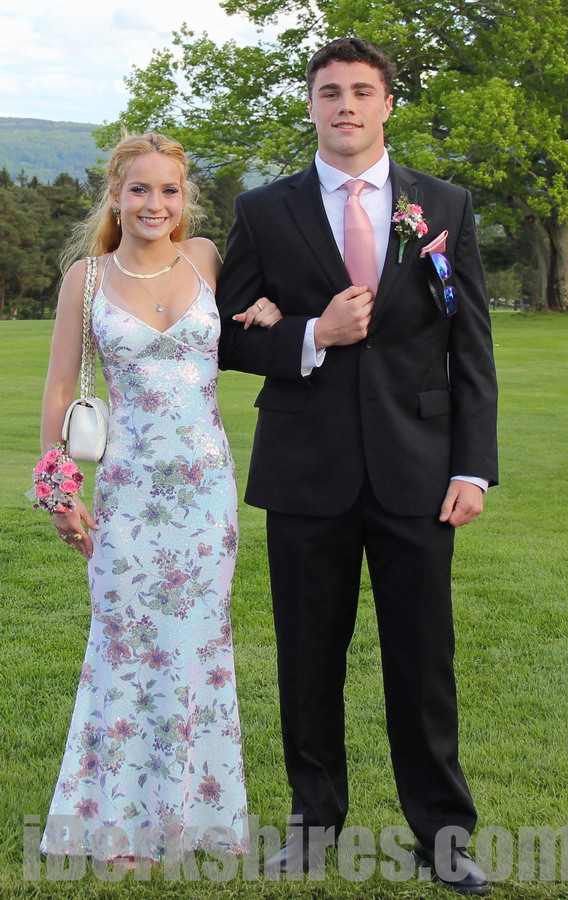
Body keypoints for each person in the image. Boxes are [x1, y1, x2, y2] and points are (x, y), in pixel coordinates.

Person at [216, 38, 498, 895]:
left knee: (424, 663)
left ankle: (444, 837)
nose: (346, 105)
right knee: (307, 661)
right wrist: (312, 334)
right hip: (307, 470)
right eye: (331, 91)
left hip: (420, 470)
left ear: (386, 105)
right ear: (311, 105)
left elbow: (471, 347)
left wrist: (472, 469)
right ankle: (312, 827)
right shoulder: (264, 209)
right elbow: (223, 335)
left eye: (362, 91)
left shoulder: (443, 204)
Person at [36, 132, 280, 864]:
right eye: (139, 189)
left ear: (184, 198)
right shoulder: (86, 278)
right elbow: (59, 387)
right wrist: (59, 490)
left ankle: (196, 819)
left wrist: (268, 309)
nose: (154, 203)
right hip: (130, 491)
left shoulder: (206, 258)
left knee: (198, 647)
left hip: (206, 491)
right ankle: (114, 824)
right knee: (124, 644)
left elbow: (254, 323)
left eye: (169, 190)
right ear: (115, 195)